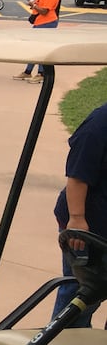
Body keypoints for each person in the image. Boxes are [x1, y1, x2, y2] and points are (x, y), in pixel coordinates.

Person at [53, 103, 107, 327]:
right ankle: (62, 341)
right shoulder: (100, 123)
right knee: (81, 294)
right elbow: (77, 176)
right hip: (89, 225)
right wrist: (76, 220)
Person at [17, 0, 61, 82]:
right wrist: (33, 3)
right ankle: (28, 71)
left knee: (41, 49)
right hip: (40, 22)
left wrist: (34, 6)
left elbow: (45, 11)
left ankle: (41, 73)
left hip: (47, 22)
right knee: (34, 48)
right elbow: (38, 3)